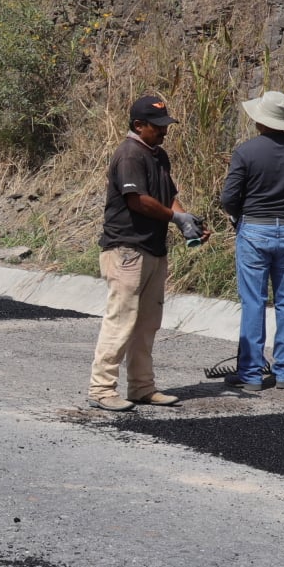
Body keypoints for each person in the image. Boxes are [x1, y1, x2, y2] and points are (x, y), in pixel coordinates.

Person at [87, 94, 211, 412]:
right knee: (121, 320)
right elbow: (137, 201)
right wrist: (175, 218)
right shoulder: (129, 155)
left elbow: (168, 196)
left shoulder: (158, 155)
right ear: (138, 125)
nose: (163, 131)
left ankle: (142, 387)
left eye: (164, 125)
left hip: (152, 248)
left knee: (146, 323)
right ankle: (101, 389)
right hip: (126, 249)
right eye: (156, 126)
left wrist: (188, 223)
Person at [215, 90, 284, 395]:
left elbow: (228, 198)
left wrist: (240, 215)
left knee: (254, 301)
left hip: (255, 228)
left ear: (261, 120)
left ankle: (251, 374)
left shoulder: (247, 152)